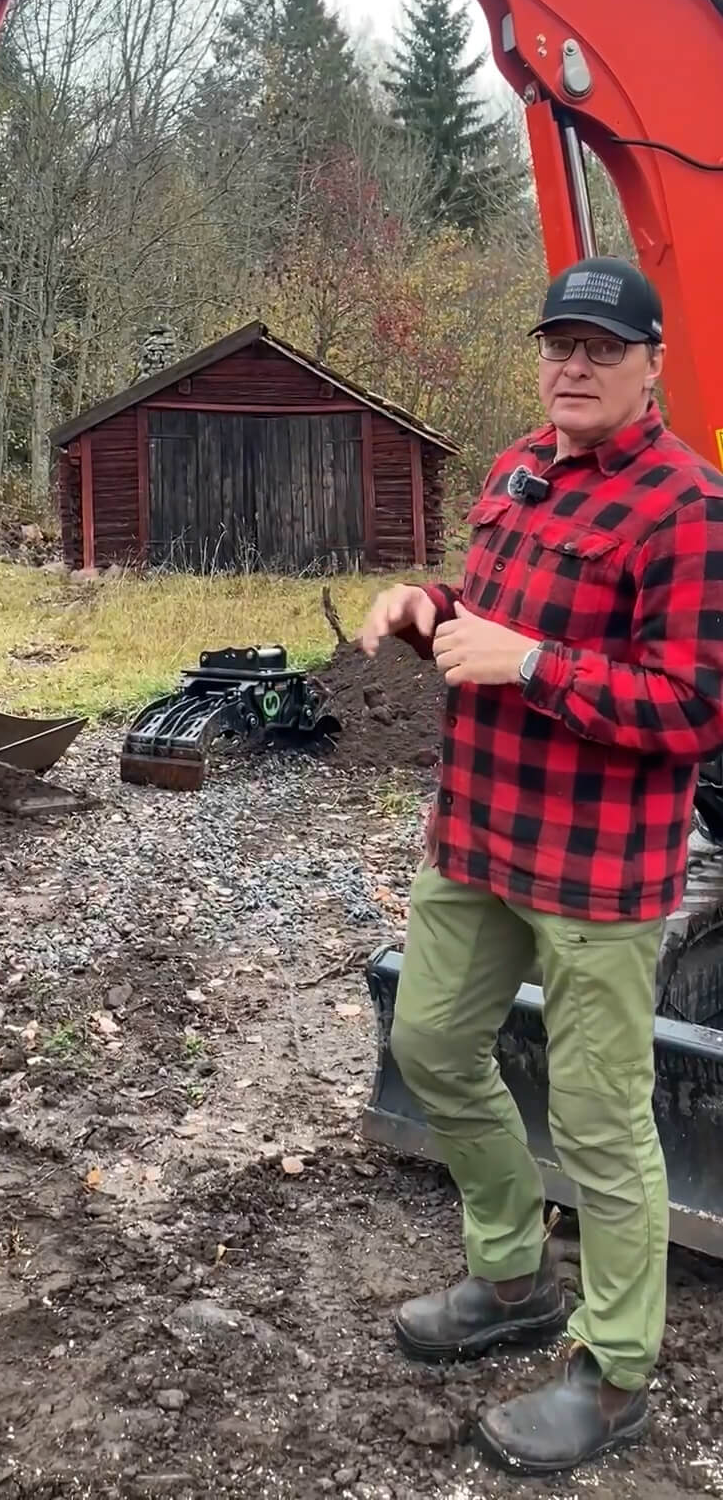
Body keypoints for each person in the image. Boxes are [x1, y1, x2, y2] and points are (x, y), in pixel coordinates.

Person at [356, 253, 723, 1477]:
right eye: (559, 343)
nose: (573, 365)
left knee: (601, 1118)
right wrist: (427, 606)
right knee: (432, 1045)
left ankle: (617, 1374)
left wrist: (529, 664)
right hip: (478, 832)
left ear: (651, 364)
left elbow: (694, 709)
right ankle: (512, 1273)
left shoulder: (689, 507)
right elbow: (491, 613)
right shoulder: (518, 466)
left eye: (601, 349)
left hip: (598, 866)